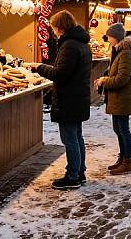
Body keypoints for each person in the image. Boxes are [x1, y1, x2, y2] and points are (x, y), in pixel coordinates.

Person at [34, 11, 91, 190]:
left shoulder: (69, 45)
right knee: (77, 136)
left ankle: (72, 176)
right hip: (78, 97)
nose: (53, 32)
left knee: (70, 139)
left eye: (54, 28)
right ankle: (79, 171)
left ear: (60, 27)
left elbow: (60, 74)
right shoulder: (82, 43)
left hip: (69, 99)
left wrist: (40, 68)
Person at [95, 23, 131, 175]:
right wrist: (106, 76)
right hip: (118, 98)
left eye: (110, 37)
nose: (108, 40)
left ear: (116, 37)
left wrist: (104, 81)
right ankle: (122, 158)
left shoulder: (125, 54)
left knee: (123, 130)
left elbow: (121, 79)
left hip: (123, 98)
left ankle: (128, 161)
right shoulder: (119, 52)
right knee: (118, 129)